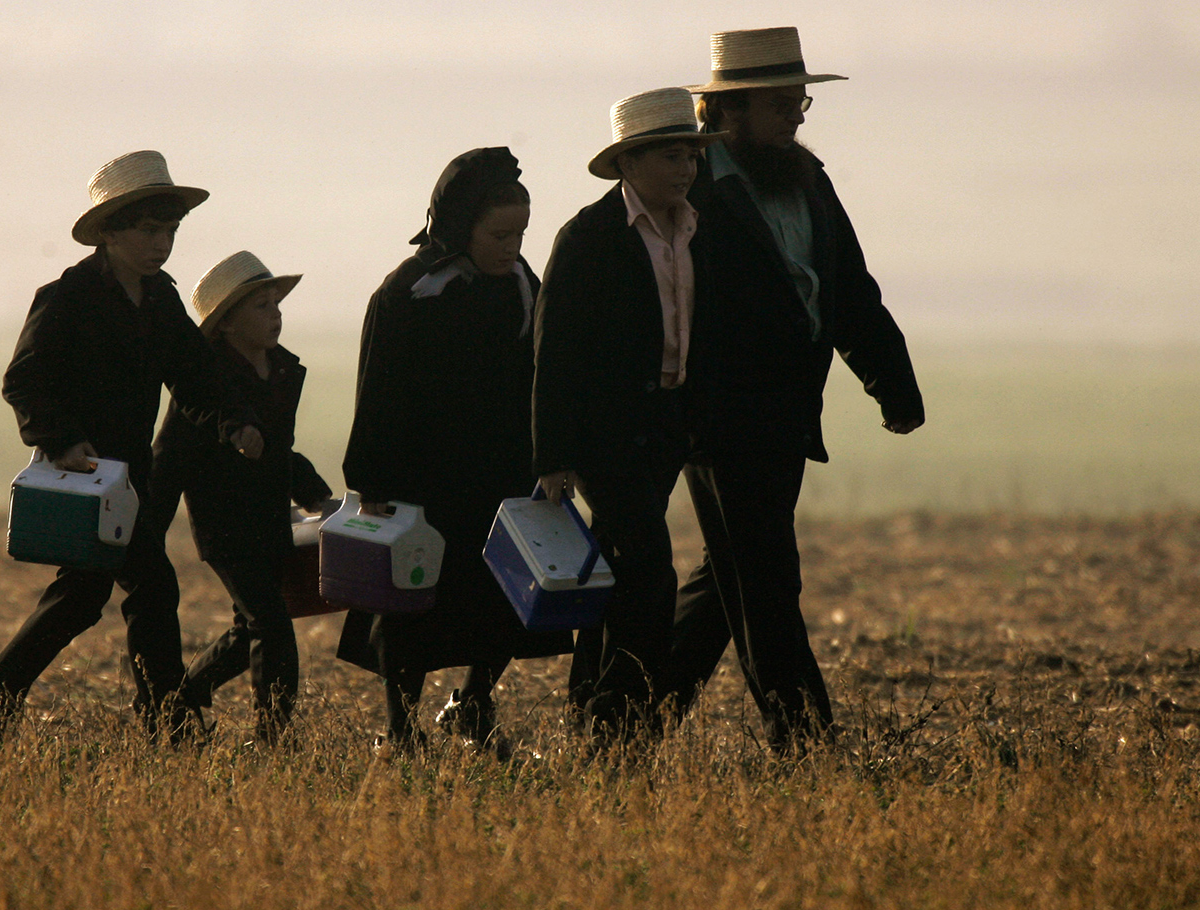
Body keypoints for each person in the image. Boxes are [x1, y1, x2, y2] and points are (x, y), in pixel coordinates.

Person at [668, 28, 925, 753]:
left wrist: (891, 385)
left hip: (785, 416)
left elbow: (847, 291)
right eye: (780, 104)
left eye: (799, 101)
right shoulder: (691, 185)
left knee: (730, 578)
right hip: (718, 416)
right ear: (728, 110)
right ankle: (806, 744)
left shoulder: (806, 177)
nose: (796, 116)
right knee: (768, 578)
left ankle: (627, 721)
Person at [0, 150, 263, 741]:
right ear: (111, 232)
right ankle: (169, 722)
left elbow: (198, 379)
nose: (162, 242)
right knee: (147, 587)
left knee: (82, 597)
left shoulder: (161, 300)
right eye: (149, 230)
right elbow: (24, 380)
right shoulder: (66, 297)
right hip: (84, 479)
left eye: (170, 230)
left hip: (128, 482)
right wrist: (62, 440)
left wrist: (235, 421)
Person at [336, 147, 571, 756]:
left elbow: (545, 378)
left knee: (503, 600)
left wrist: (552, 454)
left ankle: (475, 703)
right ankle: (399, 725)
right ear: (460, 225)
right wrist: (371, 479)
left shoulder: (522, 286)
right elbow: (377, 391)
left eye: (520, 233)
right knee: (408, 604)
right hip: (425, 482)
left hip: (500, 478)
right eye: (498, 233)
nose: (510, 245)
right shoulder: (409, 294)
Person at [532, 89, 722, 747]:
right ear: (628, 162)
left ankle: (589, 706)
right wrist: (553, 456)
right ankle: (618, 729)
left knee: (618, 569)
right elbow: (553, 354)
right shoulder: (587, 239)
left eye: (691, 156)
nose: (686, 169)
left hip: (667, 425)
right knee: (649, 573)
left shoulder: (697, 227)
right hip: (604, 436)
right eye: (672, 156)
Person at [153, 251, 333, 746]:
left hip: (270, 518)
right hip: (223, 525)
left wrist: (317, 496)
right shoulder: (205, 380)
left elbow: (281, 450)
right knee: (271, 625)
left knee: (246, 630)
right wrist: (148, 524)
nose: (275, 314)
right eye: (260, 306)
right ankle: (271, 739)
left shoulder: (282, 371)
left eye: (276, 303)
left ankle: (183, 697)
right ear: (227, 322)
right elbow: (169, 454)